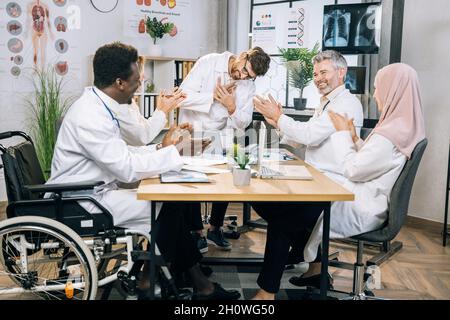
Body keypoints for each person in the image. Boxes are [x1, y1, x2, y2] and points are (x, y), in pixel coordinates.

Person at [48, 42, 240, 300]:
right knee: (168, 206)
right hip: (83, 201)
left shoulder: (101, 106)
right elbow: (126, 169)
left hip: (95, 192)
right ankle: (153, 280)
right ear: (120, 83)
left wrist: (164, 148)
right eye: (137, 79)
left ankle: (185, 278)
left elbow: (124, 154)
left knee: (172, 205)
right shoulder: (91, 116)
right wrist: (175, 153)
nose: (141, 84)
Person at [250, 63, 425, 300]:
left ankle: (266, 293)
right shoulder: (402, 127)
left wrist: (344, 134)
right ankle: (314, 268)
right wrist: (354, 138)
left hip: (357, 202)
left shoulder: (386, 132)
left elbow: (353, 169)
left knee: (283, 219)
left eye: (378, 88)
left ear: (393, 90)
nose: (375, 94)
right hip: (358, 193)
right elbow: (375, 160)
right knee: (281, 208)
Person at [254, 50, 363, 266]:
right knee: (261, 197)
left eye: (324, 72)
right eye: (315, 74)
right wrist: (276, 122)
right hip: (317, 180)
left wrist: (279, 116)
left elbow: (309, 135)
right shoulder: (326, 102)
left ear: (341, 72)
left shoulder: (345, 104)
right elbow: (304, 140)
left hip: (331, 185)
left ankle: (269, 289)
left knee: (280, 219)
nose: (318, 79)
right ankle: (312, 263)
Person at [179, 47, 271, 252]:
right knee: (191, 181)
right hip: (195, 129)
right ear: (243, 56)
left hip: (223, 135)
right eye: (244, 70)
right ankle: (196, 232)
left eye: (249, 76)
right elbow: (182, 96)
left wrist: (231, 107)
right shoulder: (209, 62)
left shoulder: (247, 85)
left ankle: (215, 228)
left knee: (227, 179)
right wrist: (212, 97)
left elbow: (243, 121)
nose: (242, 76)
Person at [26, 0, 53, 69]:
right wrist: (26, 31)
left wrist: (51, 32)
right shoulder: (29, 5)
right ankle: (35, 69)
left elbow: (48, 20)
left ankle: (43, 70)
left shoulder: (45, 6)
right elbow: (28, 19)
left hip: (43, 30)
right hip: (34, 30)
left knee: (43, 51)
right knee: (35, 51)